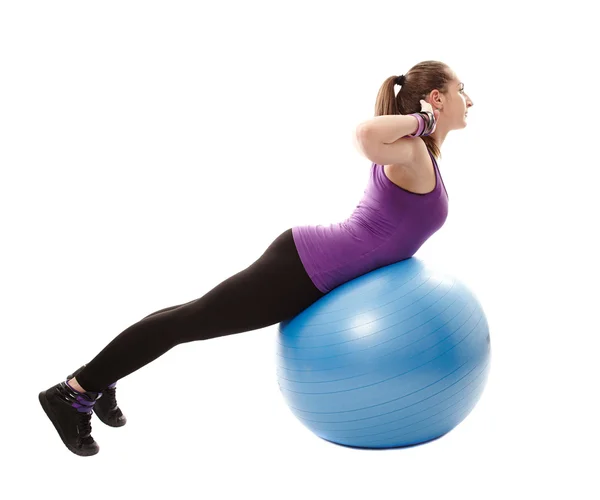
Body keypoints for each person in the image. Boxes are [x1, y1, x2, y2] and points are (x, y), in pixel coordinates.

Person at [38, 60, 474, 456]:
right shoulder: (413, 149)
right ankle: (72, 391)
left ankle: (105, 375)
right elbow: (364, 135)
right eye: (460, 90)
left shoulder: (420, 153)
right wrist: (423, 121)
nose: (469, 99)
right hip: (307, 267)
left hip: (316, 264)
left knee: (190, 317)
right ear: (436, 98)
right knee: (189, 322)